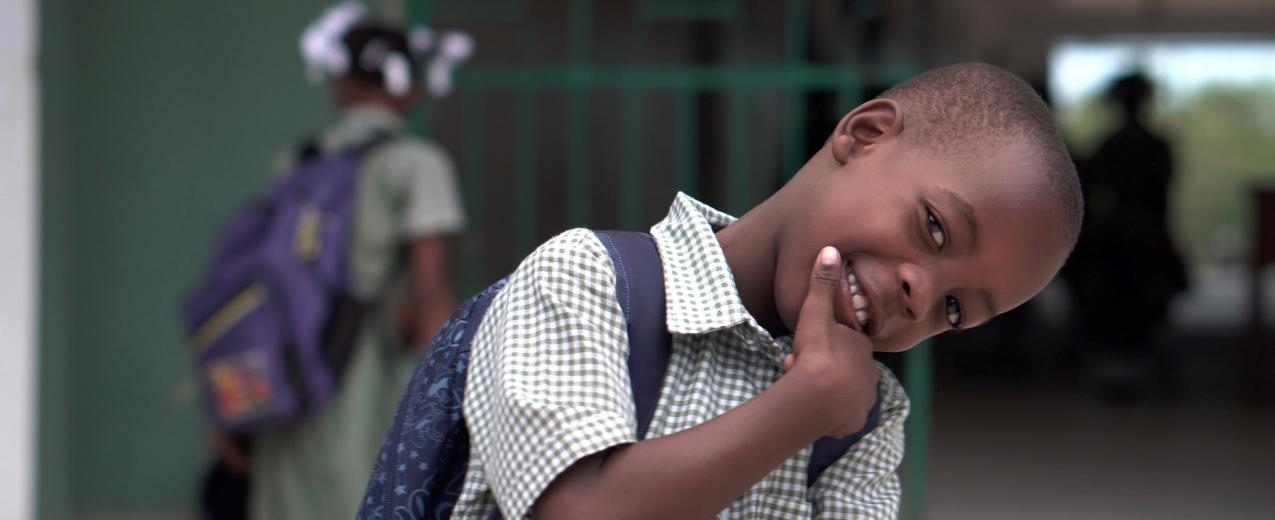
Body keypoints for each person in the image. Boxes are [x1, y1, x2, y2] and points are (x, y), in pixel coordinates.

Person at [418, 63, 1080, 518]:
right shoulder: (587, 279)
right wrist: (804, 405)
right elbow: (579, 511)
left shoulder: (866, 422)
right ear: (864, 135)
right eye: (934, 229)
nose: (919, 292)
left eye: (954, 309)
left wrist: (828, 408)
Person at [209, 6, 469, 519]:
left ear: (342, 84)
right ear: (410, 89)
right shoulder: (417, 165)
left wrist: (230, 406)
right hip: (372, 384)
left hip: (290, 381)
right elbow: (428, 290)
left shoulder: (299, 163)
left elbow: (259, 284)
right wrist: (450, 404)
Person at [1066, 72, 1186, 402]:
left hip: (1128, 244)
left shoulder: (1121, 146)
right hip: (1133, 243)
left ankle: (1126, 370)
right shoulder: (1151, 146)